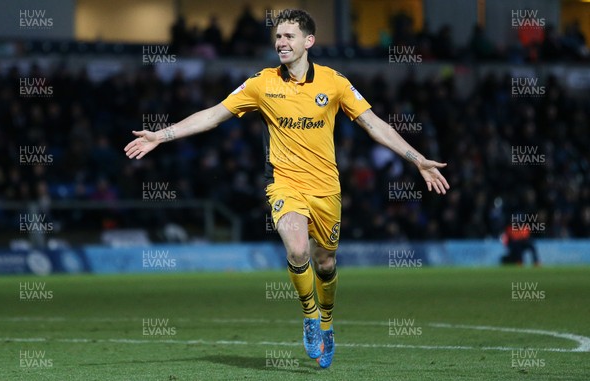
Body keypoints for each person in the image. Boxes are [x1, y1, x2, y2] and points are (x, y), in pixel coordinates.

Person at [124, 9, 449, 368]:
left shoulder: (334, 82)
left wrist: (417, 158)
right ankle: (310, 318)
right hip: (284, 184)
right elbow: (213, 114)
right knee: (297, 250)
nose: (281, 42)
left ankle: (327, 323)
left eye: (289, 36)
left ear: (308, 42)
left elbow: (374, 124)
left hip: (326, 189)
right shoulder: (262, 84)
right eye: (278, 36)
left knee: (325, 261)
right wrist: (161, 135)